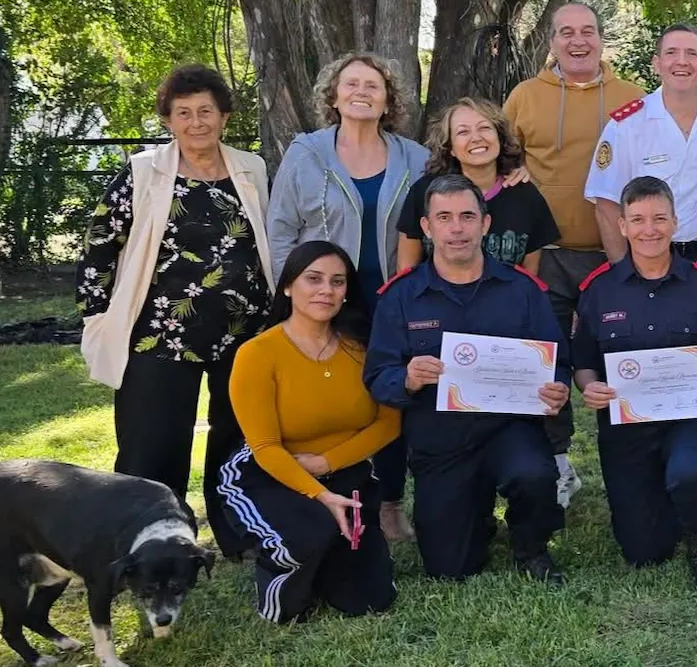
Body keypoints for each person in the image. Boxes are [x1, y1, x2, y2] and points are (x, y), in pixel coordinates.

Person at [78, 64, 274, 560]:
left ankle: (237, 532)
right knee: (153, 444)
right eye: (183, 113)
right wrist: (95, 313)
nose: (196, 122)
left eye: (205, 111)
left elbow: (269, 240)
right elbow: (103, 239)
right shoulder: (144, 171)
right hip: (158, 336)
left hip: (243, 331)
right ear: (168, 120)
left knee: (236, 438)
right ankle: (148, 540)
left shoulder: (252, 169)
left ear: (224, 116)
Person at [364, 175, 572, 584]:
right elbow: (377, 376)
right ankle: (474, 515)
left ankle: (531, 546)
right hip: (441, 438)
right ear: (426, 227)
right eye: (444, 217)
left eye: (466, 216)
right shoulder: (401, 297)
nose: (456, 228)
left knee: (534, 475)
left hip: (509, 428)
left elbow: (556, 361)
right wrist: (405, 378)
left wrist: (558, 388)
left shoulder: (523, 290)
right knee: (449, 568)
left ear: (485, 224)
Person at [586, 24, 697, 528]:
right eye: (671, 54)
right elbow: (606, 202)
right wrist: (623, 275)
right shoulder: (628, 123)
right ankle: (652, 480)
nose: (682, 62)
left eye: (693, 54)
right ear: (655, 63)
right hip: (639, 257)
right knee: (645, 373)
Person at [265, 52, 430, 543]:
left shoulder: (415, 157)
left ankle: (391, 504)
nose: (362, 91)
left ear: (388, 99)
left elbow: (458, 198)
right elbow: (280, 230)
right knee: (337, 398)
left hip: (396, 298)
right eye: (351, 83)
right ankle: (325, 496)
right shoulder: (306, 152)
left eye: (373, 85)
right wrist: (296, 294)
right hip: (327, 300)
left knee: (394, 400)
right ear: (333, 97)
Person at [504, 2, 648, 501]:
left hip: (616, 256)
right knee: (547, 361)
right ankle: (559, 462)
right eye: (566, 32)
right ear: (551, 42)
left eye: (587, 30)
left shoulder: (633, 98)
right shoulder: (524, 97)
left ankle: (638, 457)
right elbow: (501, 159)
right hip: (544, 255)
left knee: (623, 355)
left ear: (602, 39)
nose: (578, 40)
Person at [572, 176, 697, 594]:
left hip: (693, 420)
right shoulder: (598, 290)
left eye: (659, 218)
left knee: (687, 473)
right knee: (643, 551)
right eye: (638, 219)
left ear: (675, 223)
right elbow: (583, 363)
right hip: (628, 429)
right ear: (623, 226)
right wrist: (589, 387)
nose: (649, 229)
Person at [218, 241, 400, 623]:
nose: (326, 290)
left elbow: (389, 423)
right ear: (288, 286)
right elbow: (265, 446)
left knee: (369, 599)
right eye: (313, 279)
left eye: (338, 282)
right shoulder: (257, 353)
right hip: (269, 473)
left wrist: (328, 462)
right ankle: (283, 582)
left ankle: (326, 560)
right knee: (308, 539)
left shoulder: (362, 349)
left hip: (343, 472)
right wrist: (320, 494)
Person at [397, 97, 559, 274]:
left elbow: (530, 276)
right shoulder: (425, 192)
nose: (476, 138)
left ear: (500, 136)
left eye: (484, 128)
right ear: (450, 147)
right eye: (463, 132)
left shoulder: (526, 196)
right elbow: (406, 270)